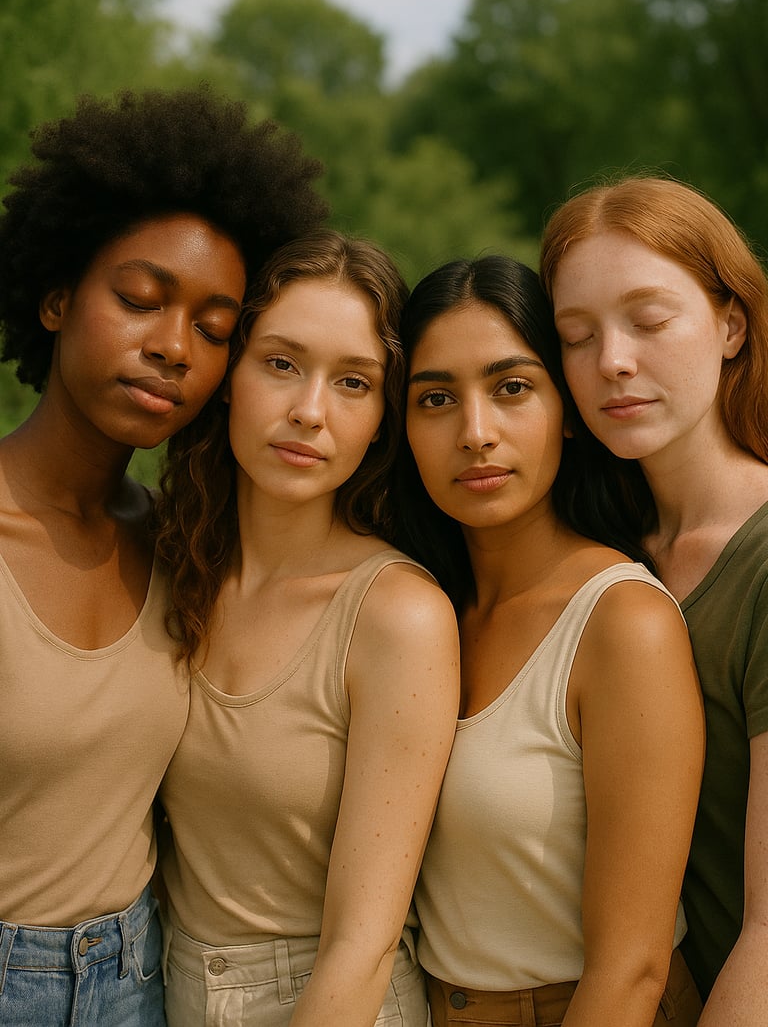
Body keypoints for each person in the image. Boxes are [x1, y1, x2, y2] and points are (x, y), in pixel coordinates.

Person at [0, 85, 328, 1027]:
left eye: (217, 330)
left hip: (145, 983)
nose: (174, 347)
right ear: (56, 297)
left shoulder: (178, 545)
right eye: (140, 300)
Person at [154, 229, 459, 1027]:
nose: (309, 411)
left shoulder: (397, 615)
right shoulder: (168, 564)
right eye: (281, 363)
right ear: (229, 377)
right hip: (159, 986)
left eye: (353, 382)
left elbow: (361, 946)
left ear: (379, 422)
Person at [397, 254, 704, 1027]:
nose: (475, 433)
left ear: (565, 406)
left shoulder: (623, 622)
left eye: (511, 388)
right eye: (436, 398)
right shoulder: (416, 608)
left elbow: (631, 969)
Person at [540, 175, 768, 1025]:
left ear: (731, 323)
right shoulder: (604, 553)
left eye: (649, 319)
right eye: (576, 335)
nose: (613, 362)